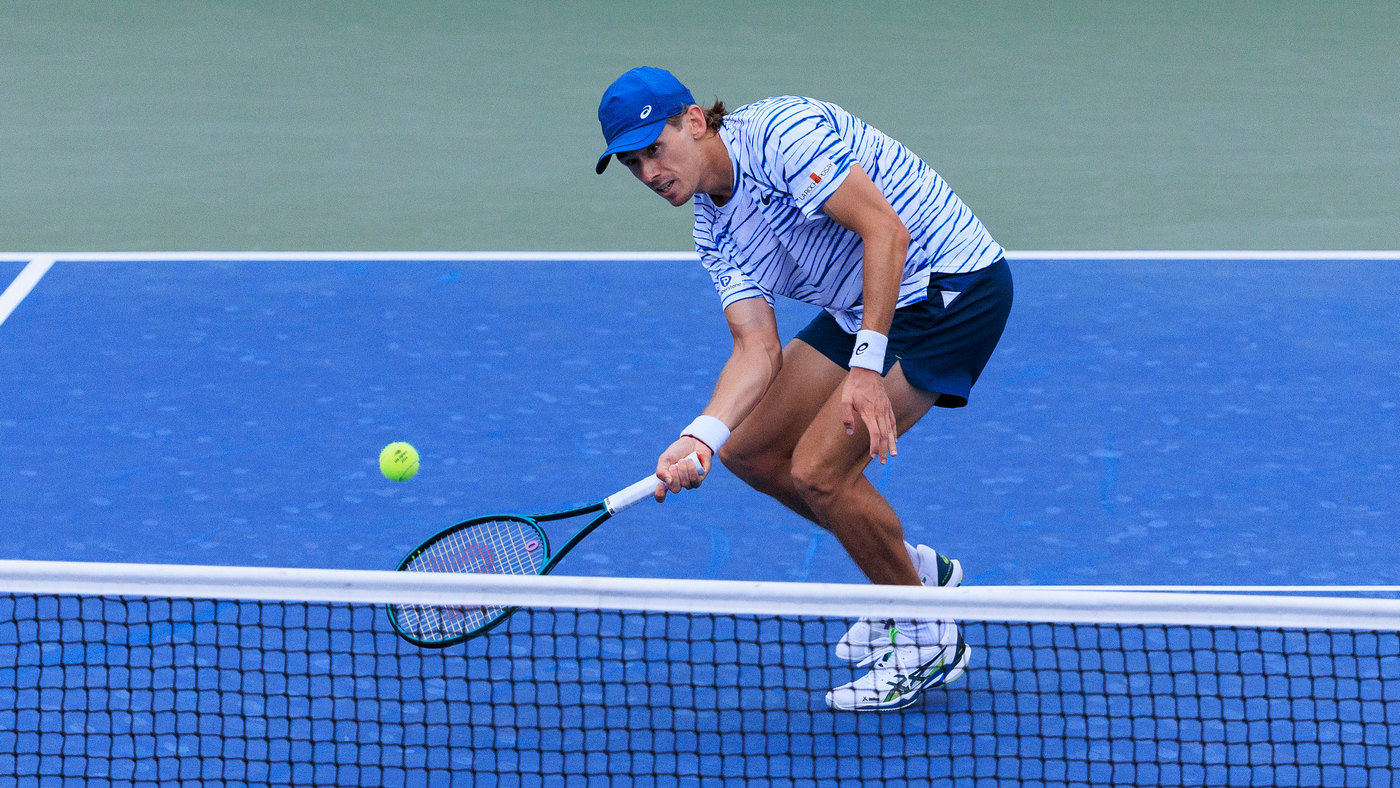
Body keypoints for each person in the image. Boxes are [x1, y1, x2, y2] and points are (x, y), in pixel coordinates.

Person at [595, 67, 1012, 711]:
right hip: (862, 303)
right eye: (632, 163)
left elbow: (887, 231)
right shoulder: (713, 231)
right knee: (748, 449)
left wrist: (866, 369)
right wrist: (699, 437)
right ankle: (911, 573)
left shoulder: (782, 135)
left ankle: (928, 637)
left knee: (819, 471)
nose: (649, 172)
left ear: (696, 121)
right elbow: (756, 349)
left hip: (948, 289)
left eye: (655, 148)